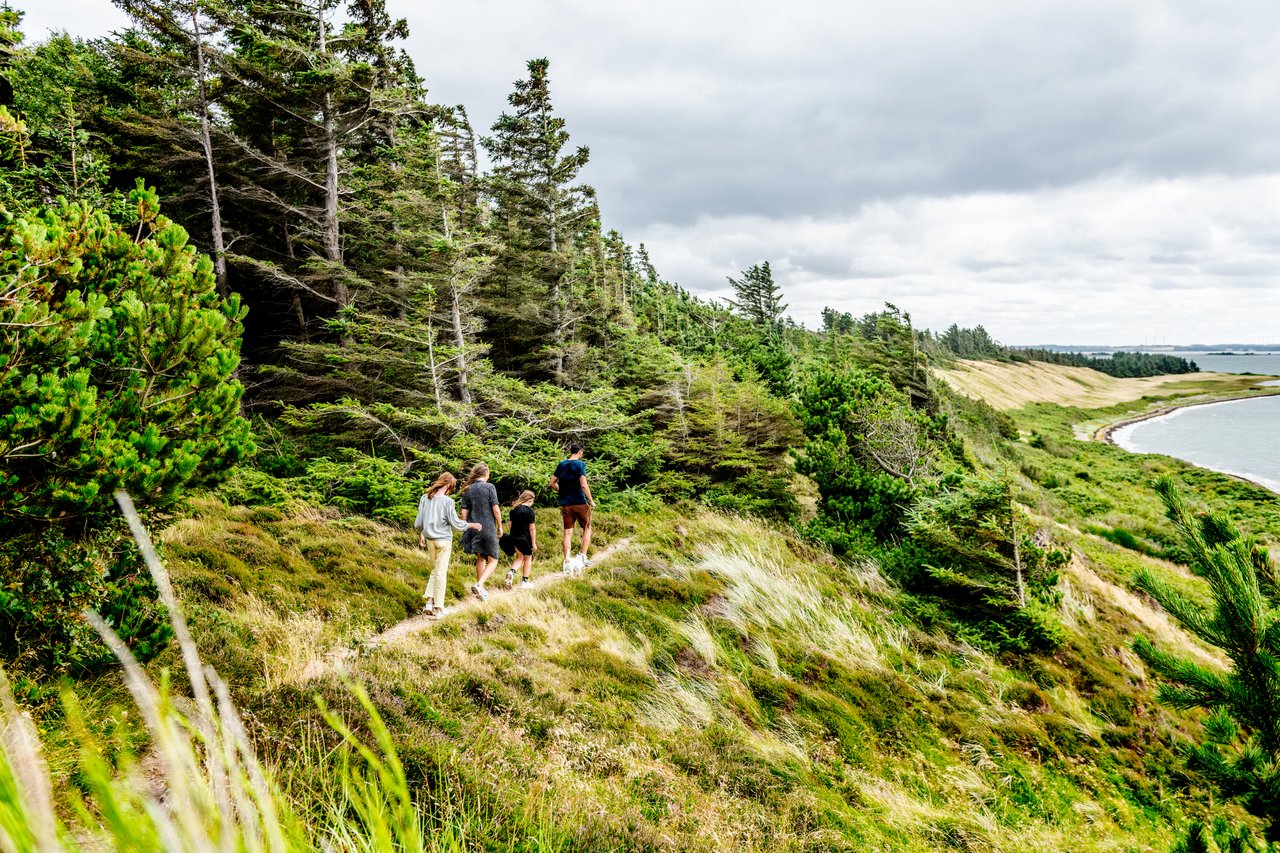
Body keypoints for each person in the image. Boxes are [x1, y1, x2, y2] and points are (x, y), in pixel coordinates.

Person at [413, 472, 481, 620]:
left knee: (435, 571)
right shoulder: (448, 502)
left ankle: (429, 603)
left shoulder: (425, 498)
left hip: (430, 540)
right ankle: (439, 608)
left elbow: (418, 523)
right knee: (441, 573)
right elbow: (455, 524)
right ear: (449, 485)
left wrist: (421, 534)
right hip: (443, 541)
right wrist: (472, 525)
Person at [458, 462, 501, 600]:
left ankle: (480, 590)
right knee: (493, 559)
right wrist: (500, 526)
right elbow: (495, 509)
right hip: (488, 527)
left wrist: (466, 527)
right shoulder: (489, 487)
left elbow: (463, 512)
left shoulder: (467, 490)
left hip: (474, 528)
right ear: (485, 474)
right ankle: (479, 584)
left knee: (480, 558)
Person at [549, 443, 594, 571]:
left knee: (567, 533)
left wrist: (562, 491)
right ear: (580, 452)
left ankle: (567, 560)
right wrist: (591, 500)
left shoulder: (561, 464)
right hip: (579, 503)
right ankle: (583, 556)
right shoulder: (580, 464)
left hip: (566, 505)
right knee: (587, 528)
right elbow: (583, 485)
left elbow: (552, 483)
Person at [503, 490, 538, 590]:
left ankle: (511, 572)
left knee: (519, 558)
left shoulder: (514, 510)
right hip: (525, 539)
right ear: (530, 500)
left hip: (514, 537)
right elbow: (532, 528)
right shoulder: (530, 511)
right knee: (528, 558)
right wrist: (533, 543)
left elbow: (510, 525)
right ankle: (524, 581)